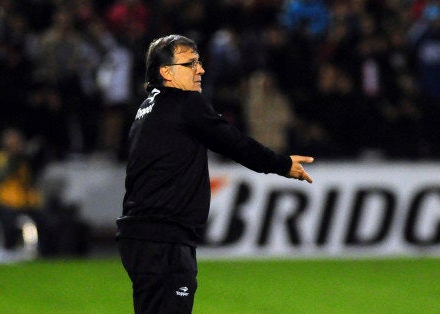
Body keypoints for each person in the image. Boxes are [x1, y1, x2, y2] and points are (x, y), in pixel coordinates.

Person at [116, 34, 314, 314]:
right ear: (166, 73)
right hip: (164, 237)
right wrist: (282, 164)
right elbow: (233, 143)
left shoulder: (146, 109)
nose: (201, 70)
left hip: (143, 236)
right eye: (191, 64)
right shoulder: (184, 103)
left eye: (199, 62)